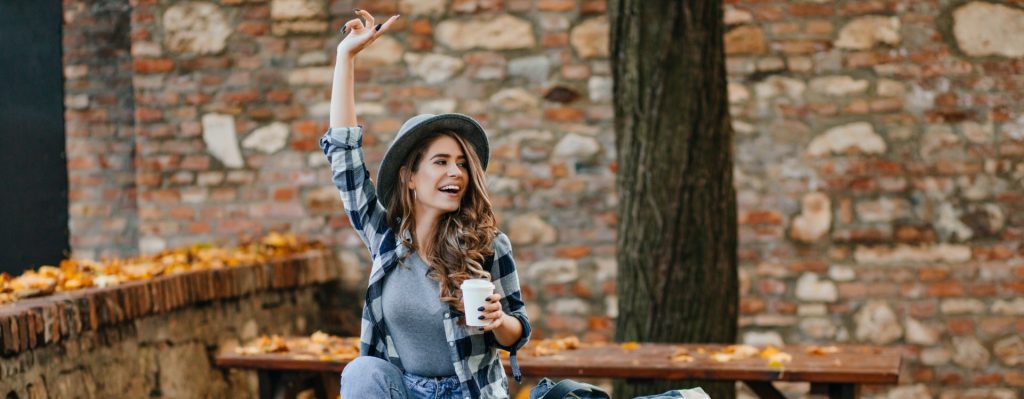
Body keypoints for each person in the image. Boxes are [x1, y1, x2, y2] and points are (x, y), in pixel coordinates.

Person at [319, 10, 531, 399]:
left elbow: (519, 332)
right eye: (441, 162)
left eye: (463, 163)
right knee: (362, 372)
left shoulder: (488, 244)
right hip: (405, 392)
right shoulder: (384, 238)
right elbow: (344, 158)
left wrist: (499, 321)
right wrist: (345, 58)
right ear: (410, 177)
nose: (457, 173)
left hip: (472, 392)